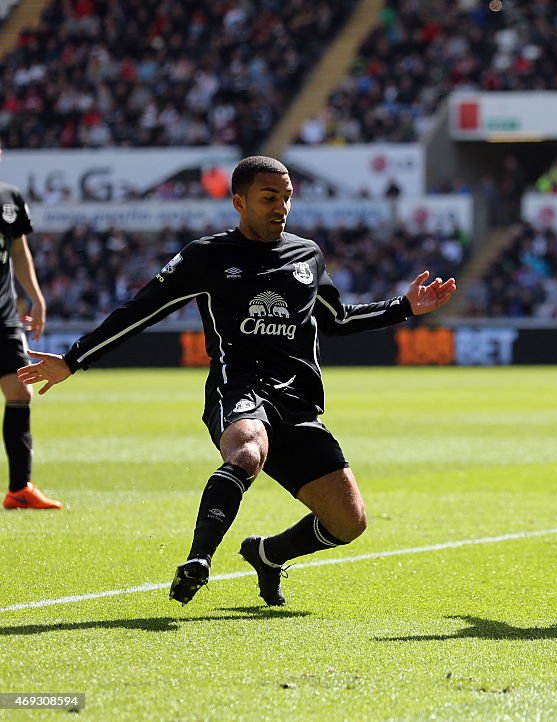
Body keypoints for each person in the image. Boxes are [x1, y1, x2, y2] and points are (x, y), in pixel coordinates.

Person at [18, 156, 456, 605]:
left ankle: (268, 554)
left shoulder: (307, 255)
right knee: (248, 449)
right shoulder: (206, 257)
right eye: (269, 198)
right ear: (239, 201)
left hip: (299, 401)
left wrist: (405, 307)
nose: (281, 207)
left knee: (349, 523)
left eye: (286, 197)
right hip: (238, 387)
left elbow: (338, 320)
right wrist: (74, 360)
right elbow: (141, 310)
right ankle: (198, 560)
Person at [0, 138, 61, 510]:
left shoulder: (10, 197)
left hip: (4, 315)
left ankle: (19, 489)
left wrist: (35, 297)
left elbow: (19, 249)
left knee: (19, 393)